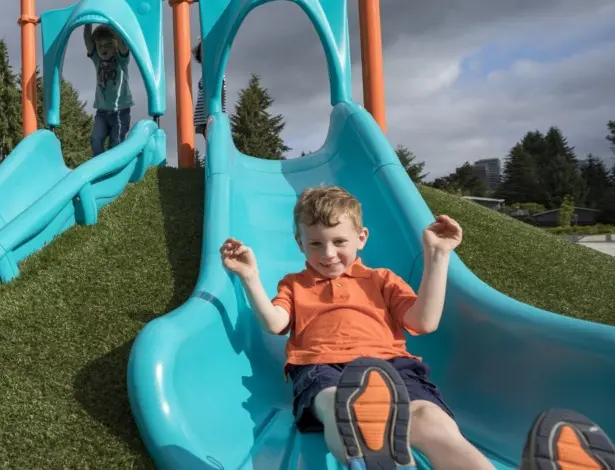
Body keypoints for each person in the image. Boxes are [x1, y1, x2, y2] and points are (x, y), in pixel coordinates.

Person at [219, 185, 495, 469]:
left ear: (361, 238)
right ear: (300, 244)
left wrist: (437, 256)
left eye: (339, 242)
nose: (328, 254)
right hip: (321, 365)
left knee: (429, 417)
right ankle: (382, 456)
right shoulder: (294, 283)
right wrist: (250, 277)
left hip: (390, 366)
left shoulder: (381, 279)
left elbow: (424, 322)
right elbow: (274, 324)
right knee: (339, 405)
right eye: (315, 244)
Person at [84, 24, 133, 156]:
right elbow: (87, 39)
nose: (103, 48)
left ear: (115, 45)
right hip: (102, 112)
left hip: (120, 111)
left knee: (116, 143)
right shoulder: (97, 60)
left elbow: (123, 45)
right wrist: (88, 21)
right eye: (100, 46)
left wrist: (113, 25)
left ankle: (114, 169)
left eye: (108, 44)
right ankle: (100, 167)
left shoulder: (121, 60)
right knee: (95, 139)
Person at [192, 38, 226, 138]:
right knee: (209, 142)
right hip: (203, 118)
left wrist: (216, 113)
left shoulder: (217, 74)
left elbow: (220, 93)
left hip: (212, 116)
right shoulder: (205, 76)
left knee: (214, 140)